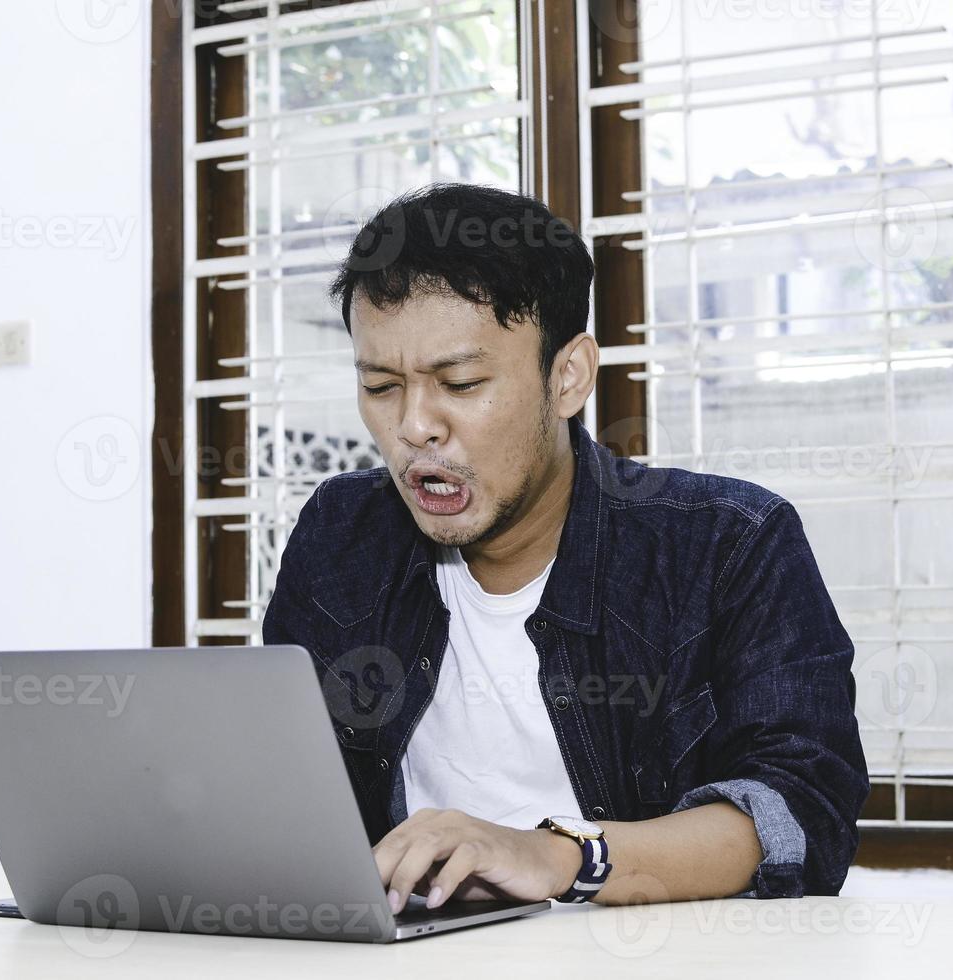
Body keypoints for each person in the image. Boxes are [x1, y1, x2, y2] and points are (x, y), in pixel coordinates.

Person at [261, 182, 868, 910]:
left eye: (459, 382)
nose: (414, 426)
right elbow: (287, 787)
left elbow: (802, 814)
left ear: (568, 377)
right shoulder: (341, 535)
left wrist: (554, 855)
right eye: (382, 386)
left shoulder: (728, 544)